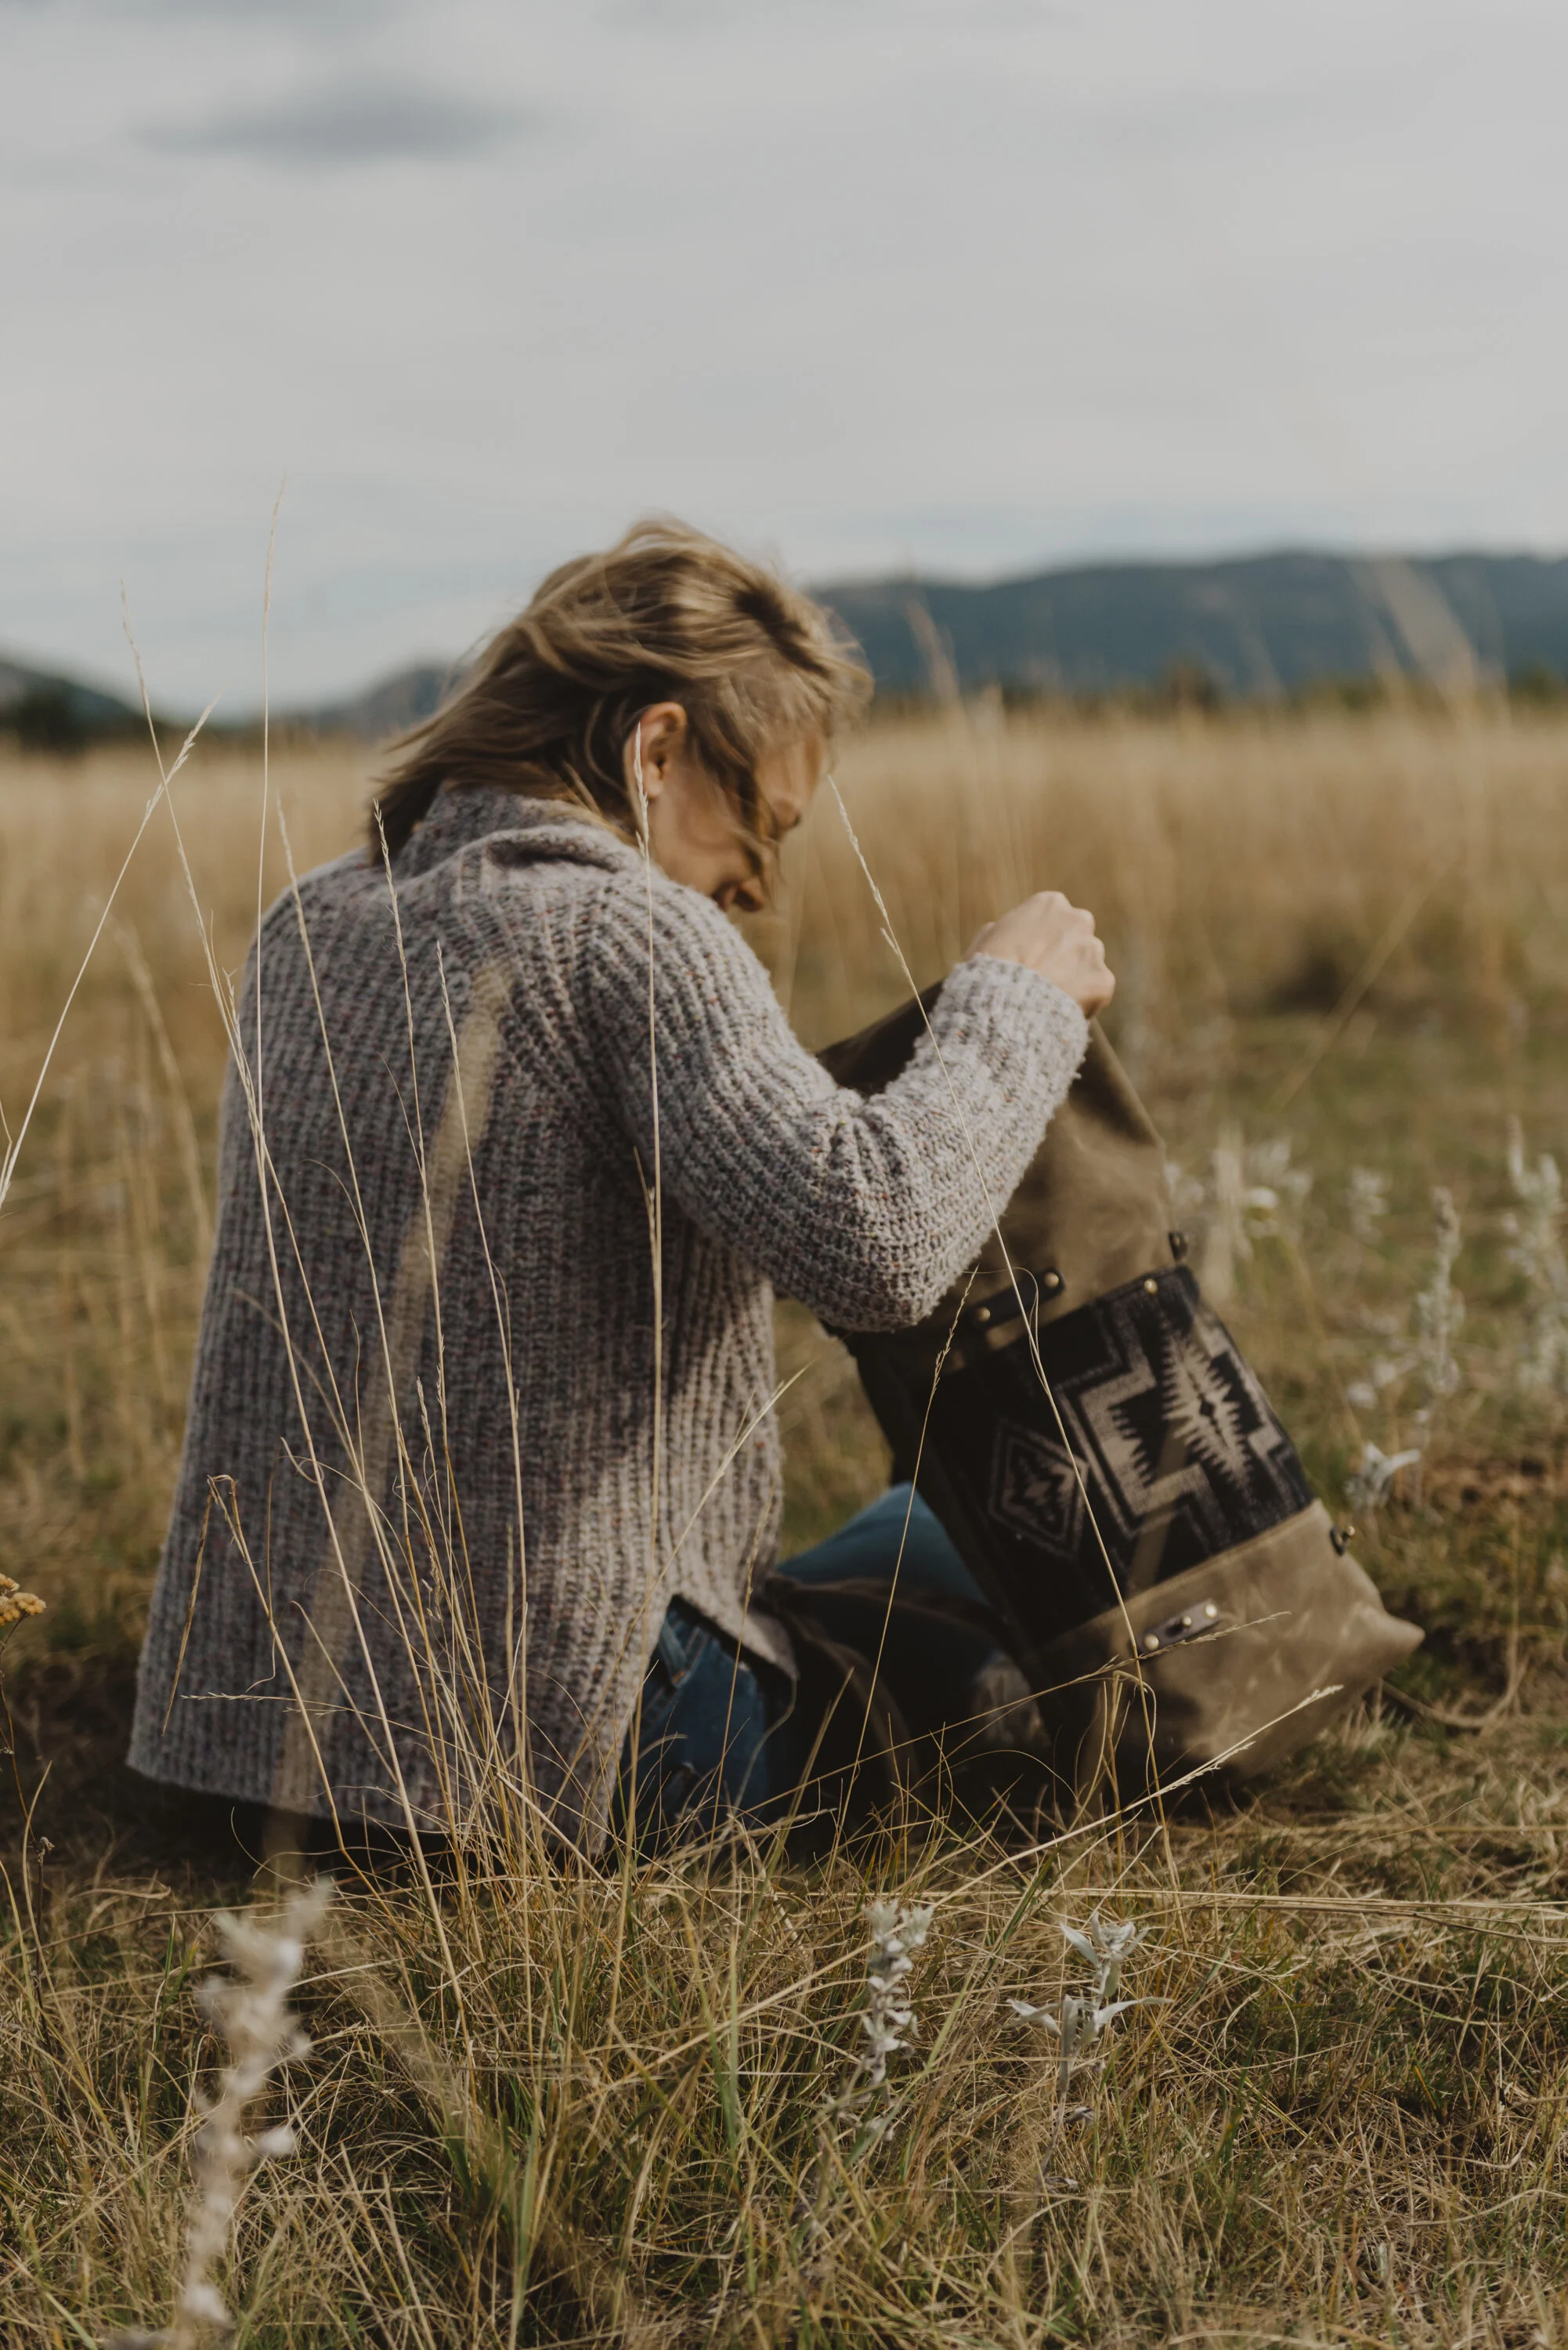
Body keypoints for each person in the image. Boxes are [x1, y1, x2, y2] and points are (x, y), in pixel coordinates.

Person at [128, 518, 1113, 1856]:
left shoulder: (308, 920)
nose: (757, 887)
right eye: (760, 825)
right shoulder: (624, 930)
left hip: (254, 1756)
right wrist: (1017, 1003)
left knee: (854, 1558)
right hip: (560, 1768)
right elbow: (879, 1242)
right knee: (977, 1524)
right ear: (655, 752)